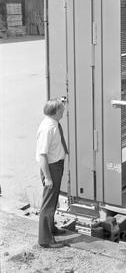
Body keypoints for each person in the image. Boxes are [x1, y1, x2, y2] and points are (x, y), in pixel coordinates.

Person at [36, 98, 69, 248]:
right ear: (56, 112)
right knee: (48, 204)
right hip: (51, 168)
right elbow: (42, 155)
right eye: (61, 109)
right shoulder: (48, 128)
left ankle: (51, 229)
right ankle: (45, 240)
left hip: (56, 166)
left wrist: (62, 99)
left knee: (53, 201)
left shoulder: (53, 123)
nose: (63, 111)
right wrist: (48, 178)